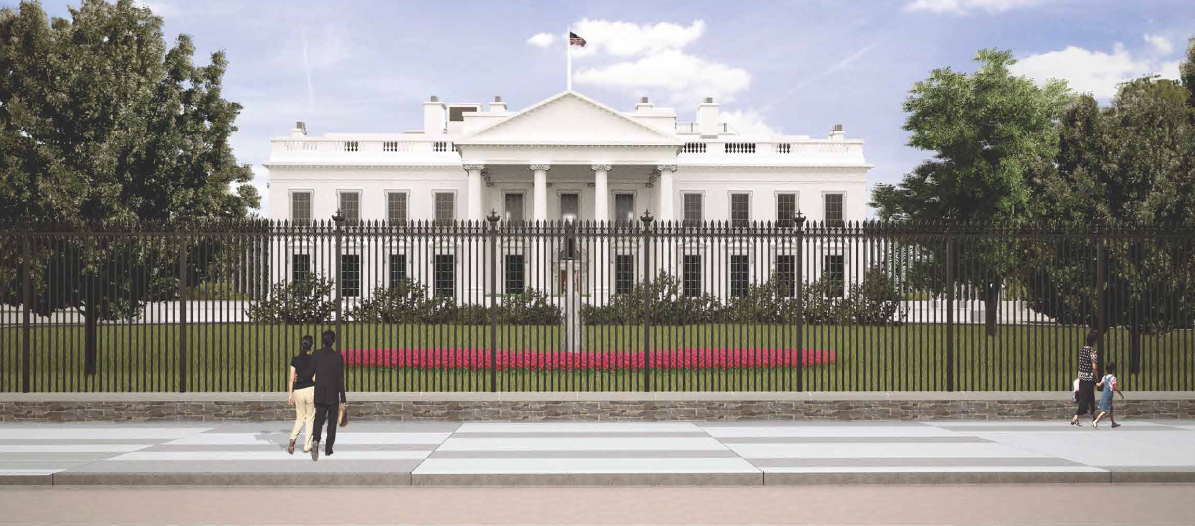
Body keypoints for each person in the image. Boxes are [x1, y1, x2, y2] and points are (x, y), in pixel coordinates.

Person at [306, 330, 346, 461]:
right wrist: (343, 399)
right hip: (333, 395)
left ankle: (316, 440)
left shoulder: (317, 355)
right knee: (332, 422)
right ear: (333, 341)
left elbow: (310, 372)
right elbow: (340, 380)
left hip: (320, 393)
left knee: (319, 419)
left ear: (323, 341)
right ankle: (328, 449)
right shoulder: (338, 357)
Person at [286, 335, 316, 455]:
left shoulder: (295, 359)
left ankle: (292, 440)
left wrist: (290, 394)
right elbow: (315, 377)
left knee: (300, 417)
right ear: (312, 346)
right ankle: (307, 446)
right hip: (310, 389)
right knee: (310, 418)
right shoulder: (314, 359)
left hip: (297, 391)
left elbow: (291, 378)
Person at [1071, 331, 1100, 426]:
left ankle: (1094, 416)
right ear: (1094, 341)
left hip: (1082, 376)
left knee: (1091, 397)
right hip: (1089, 377)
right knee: (1085, 399)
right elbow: (1095, 367)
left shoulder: (1082, 349)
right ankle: (1075, 417)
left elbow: (1081, 364)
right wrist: (1097, 377)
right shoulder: (1092, 351)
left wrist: (1079, 375)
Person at [1093, 362, 1125, 429]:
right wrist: (1121, 395)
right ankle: (1095, 421)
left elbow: (1099, 385)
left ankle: (1113, 423)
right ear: (1113, 369)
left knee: (1110, 409)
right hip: (1108, 395)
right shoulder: (1113, 378)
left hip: (1104, 394)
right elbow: (1116, 388)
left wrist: (1094, 382)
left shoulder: (1104, 377)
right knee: (1105, 410)